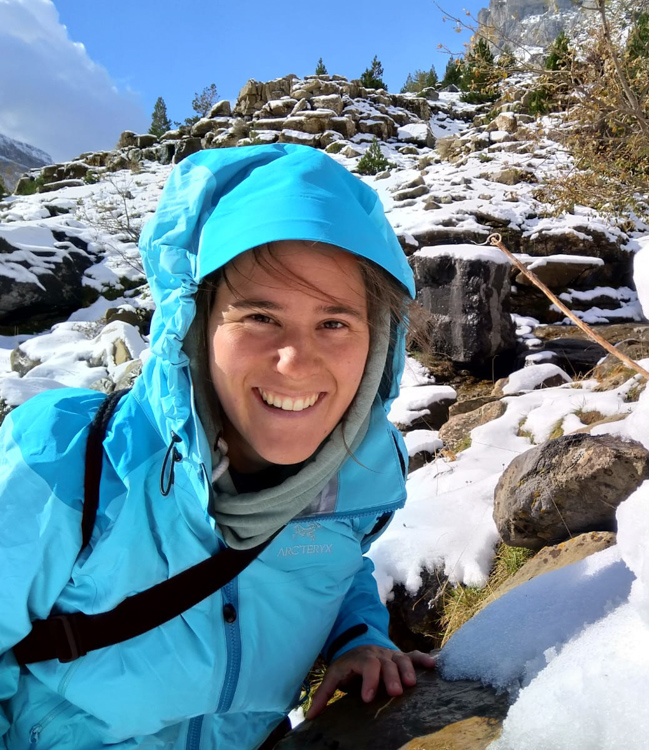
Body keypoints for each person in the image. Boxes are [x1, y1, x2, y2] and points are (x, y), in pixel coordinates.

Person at [0, 144, 434, 749]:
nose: (294, 361)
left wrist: (358, 634)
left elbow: (331, 564)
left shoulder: (360, 469)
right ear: (196, 323)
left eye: (335, 323)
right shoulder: (68, 462)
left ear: (379, 343)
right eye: (260, 316)